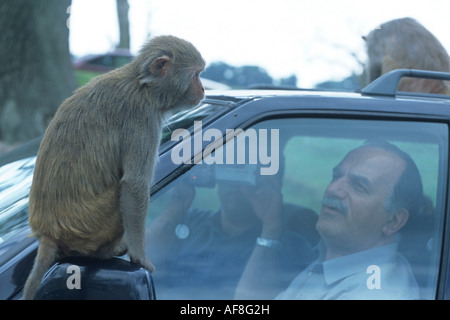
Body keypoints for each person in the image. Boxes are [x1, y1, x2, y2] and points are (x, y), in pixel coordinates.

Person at [236, 140, 432, 300]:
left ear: (394, 221)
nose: (332, 189)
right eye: (336, 176)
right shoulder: (341, 262)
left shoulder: (374, 294)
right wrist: (271, 227)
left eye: (359, 186)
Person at [145, 162, 317, 300]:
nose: (235, 184)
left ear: (273, 182)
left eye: (247, 172)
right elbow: (141, 265)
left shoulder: (290, 244)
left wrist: (271, 227)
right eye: (230, 168)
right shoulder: (189, 221)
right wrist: (177, 203)